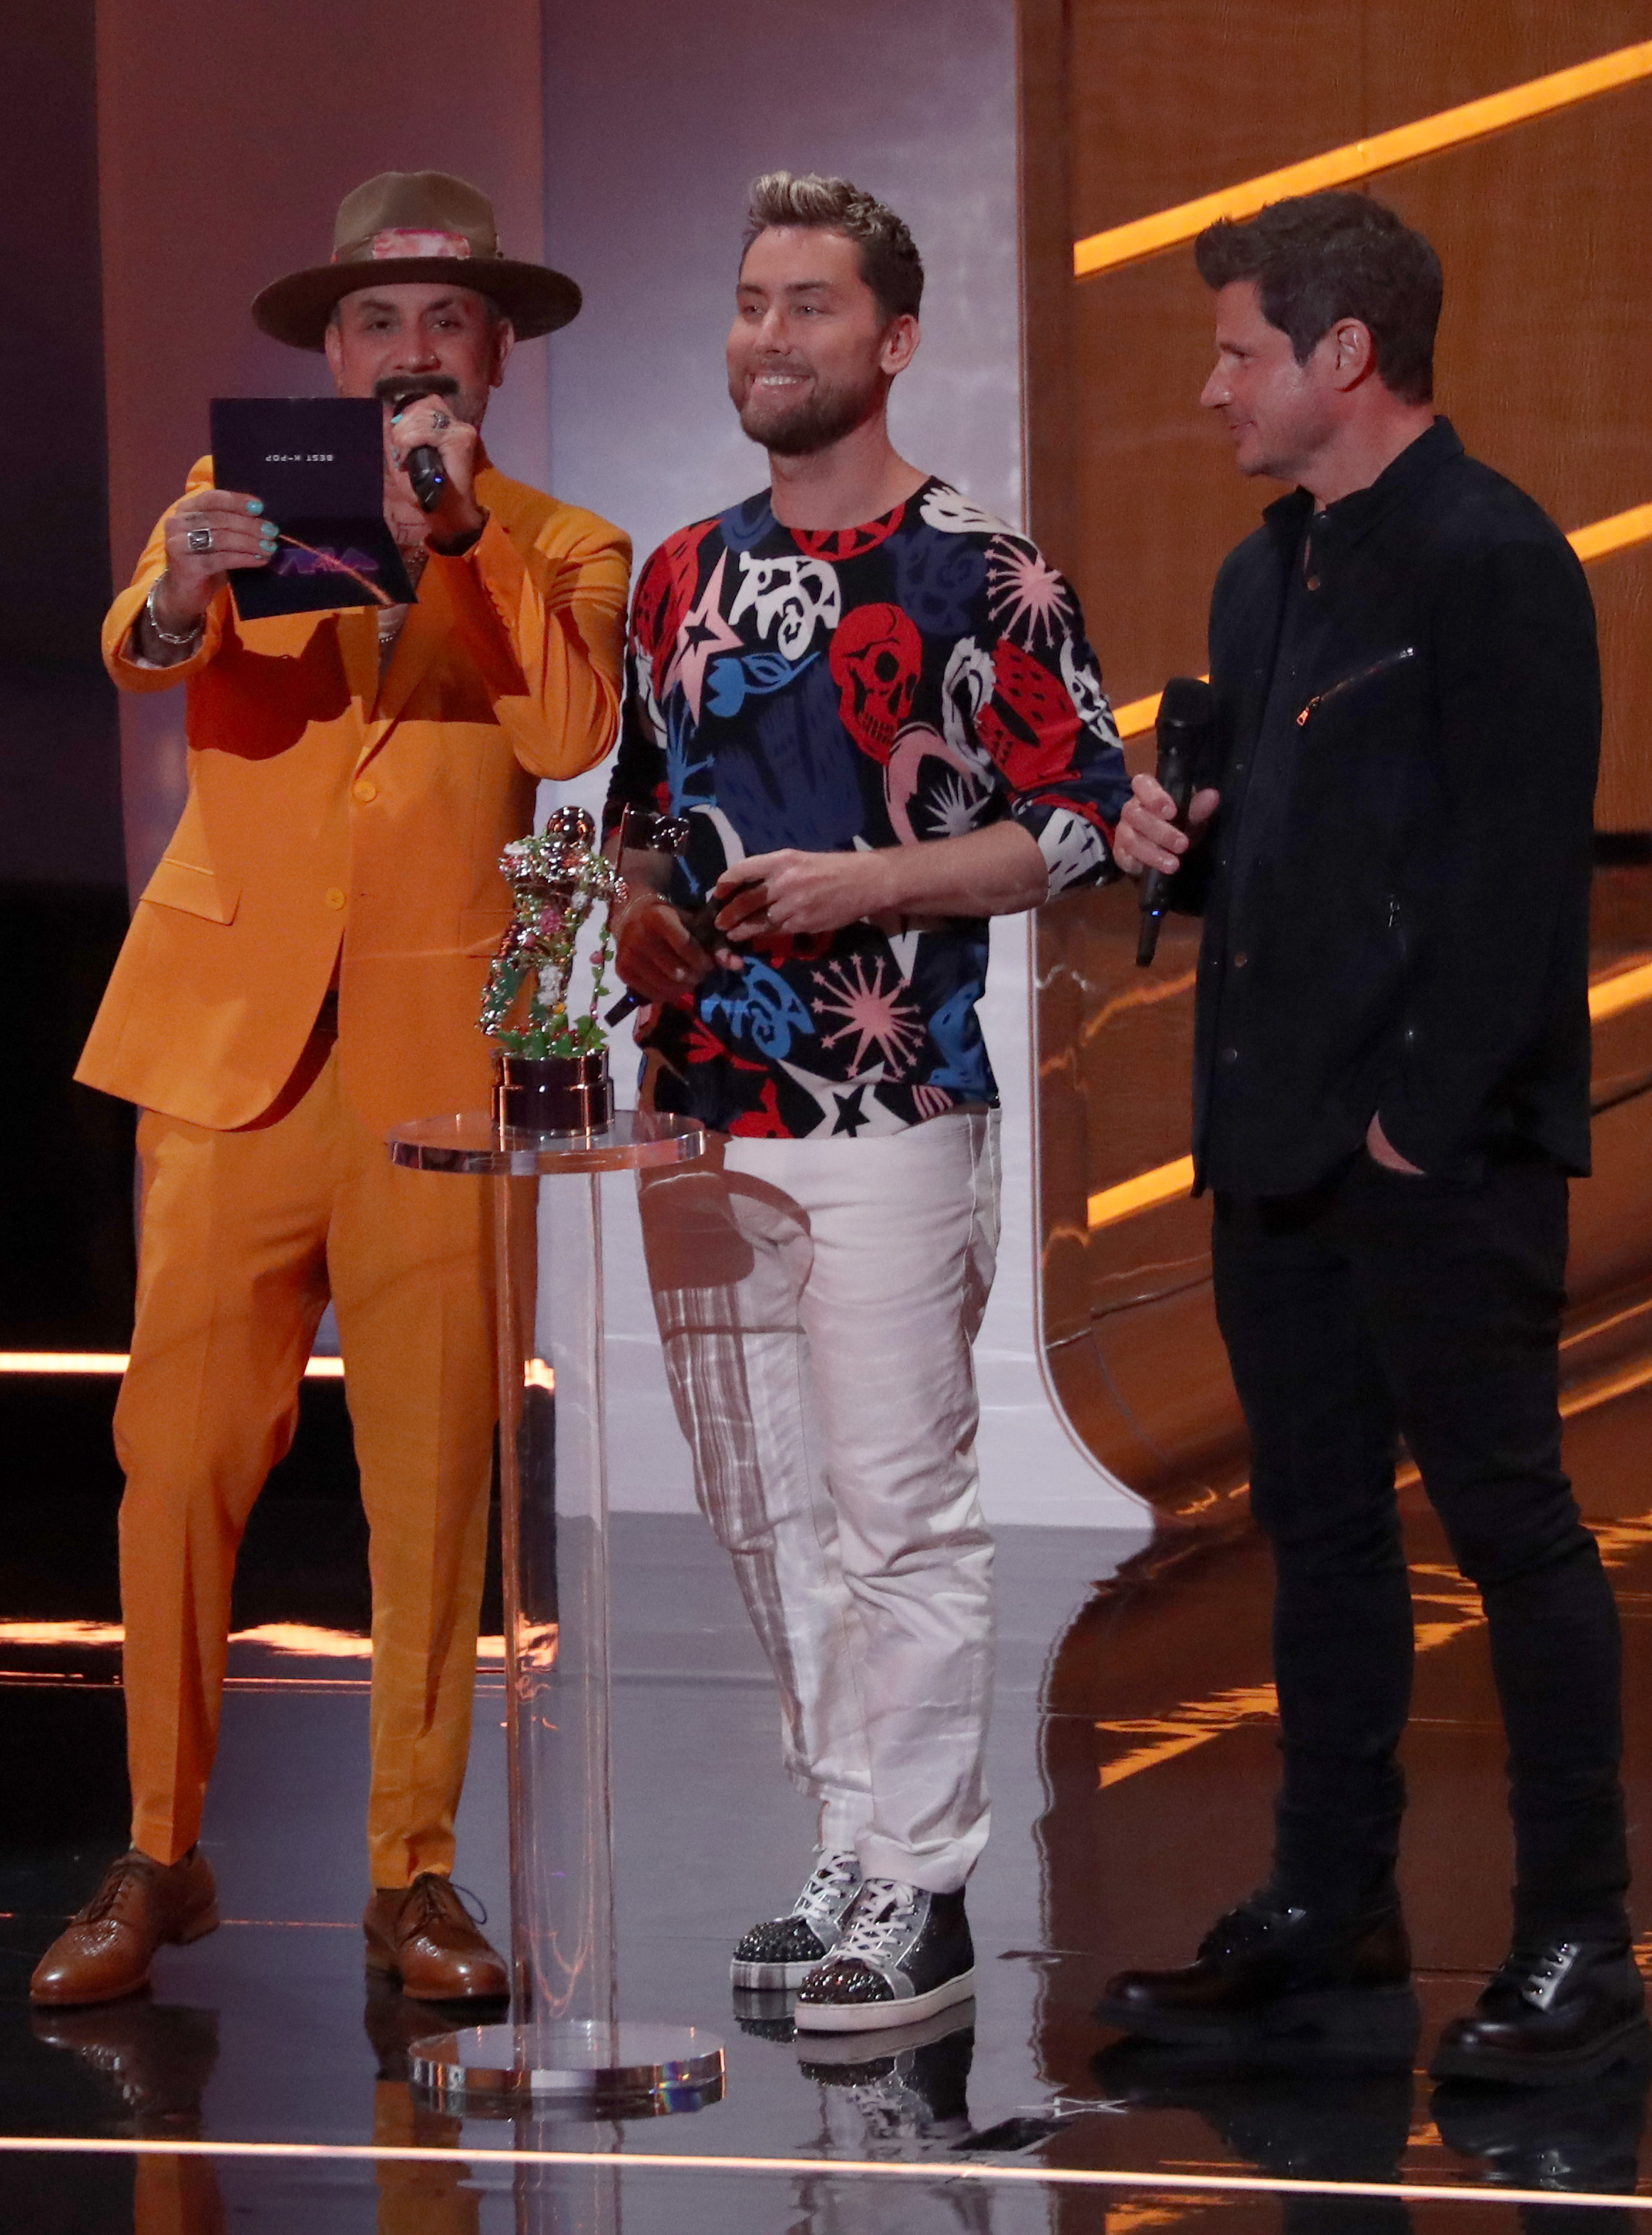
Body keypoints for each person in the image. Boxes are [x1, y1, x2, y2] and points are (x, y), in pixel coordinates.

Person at [33, 169, 627, 2011]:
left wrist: (451, 536)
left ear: (493, 355)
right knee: (177, 1462)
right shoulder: (228, 519)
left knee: (433, 1479)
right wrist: (182, 589)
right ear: (327, 350)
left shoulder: (561, 546)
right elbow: (140, 642)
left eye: (440, 321)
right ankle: (158, 1849)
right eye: (371, 323)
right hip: (232, 1057)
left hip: (447, 1063)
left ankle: (412, 1876)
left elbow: (563, 736)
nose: (404, 350)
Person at [1098, 190, 1636, 2083]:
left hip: (1432, 1156)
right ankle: (1333, 1899)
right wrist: (1181, 828)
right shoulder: (1267, 576)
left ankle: (1580, 1946)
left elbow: (1512, 883)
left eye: (1235, 349)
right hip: (1274, 1142)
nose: (1207, 386)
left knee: (1507, 1527)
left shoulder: (1495, 567)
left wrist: (1418, 1128)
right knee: (1317, 1536)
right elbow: (1287, 826)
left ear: (1343, 358)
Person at [608, 172, 1130, 2033]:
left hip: (889, 1103)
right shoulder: (673, 574)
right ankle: (851, 1842)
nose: (769, 336)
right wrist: (642, 914)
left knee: (895, 1506)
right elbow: (637, 822)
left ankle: (919, 1887)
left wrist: (867, 886)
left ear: (893, 338)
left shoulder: (983, 575)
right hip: (698, 1104)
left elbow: (1082, 821)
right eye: (752, 301)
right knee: (762, 1509)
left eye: (809, 304)